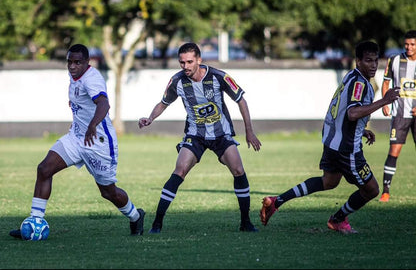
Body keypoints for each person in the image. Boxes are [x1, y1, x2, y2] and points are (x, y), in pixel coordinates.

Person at [259, 41, 400, 234]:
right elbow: (352, 113)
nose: (374, 65)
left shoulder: (351, 76)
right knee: (372, 190)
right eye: (368, 61)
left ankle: (276, 201)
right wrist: (384, 100)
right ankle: (337, 219)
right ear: (358, 61)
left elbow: (345, 111)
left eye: (376, 61)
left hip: (332, 141)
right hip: (347, 148)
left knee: (329, 181)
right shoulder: (360, 83)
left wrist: (362, 129)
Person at [9, 44, 145, 239]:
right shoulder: (74, 76)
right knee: (44, 169)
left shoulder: (92, 79)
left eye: (77, 62)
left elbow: (104, 104)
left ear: (87, 62)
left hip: (98, 142)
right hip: (76, 138)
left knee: (108, 192)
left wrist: (92, 126)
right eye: (69, 62)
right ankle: (34, 222)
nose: (72, 66)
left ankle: (135, 216)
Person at [138, 42, 262, 233]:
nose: (185, 66)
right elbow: (164, 103)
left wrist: (249, 131)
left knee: (238, 170)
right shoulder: (177, 81)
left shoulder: (219, 77)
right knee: (179, 170)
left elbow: (241, 100)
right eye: (182, 62)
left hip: (221, 134)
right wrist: (150, 118)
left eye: (189, 62)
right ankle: (157, 223)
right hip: (195, 134)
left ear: (199, 60)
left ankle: (245, 222)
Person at [379, 30, 416, 202]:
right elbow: (385, 83)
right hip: (400, 114)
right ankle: (385, 191)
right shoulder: (394, 60)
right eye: (406, 44)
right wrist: (385, 102)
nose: (409, 47)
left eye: (413, 44)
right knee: (394, 150)